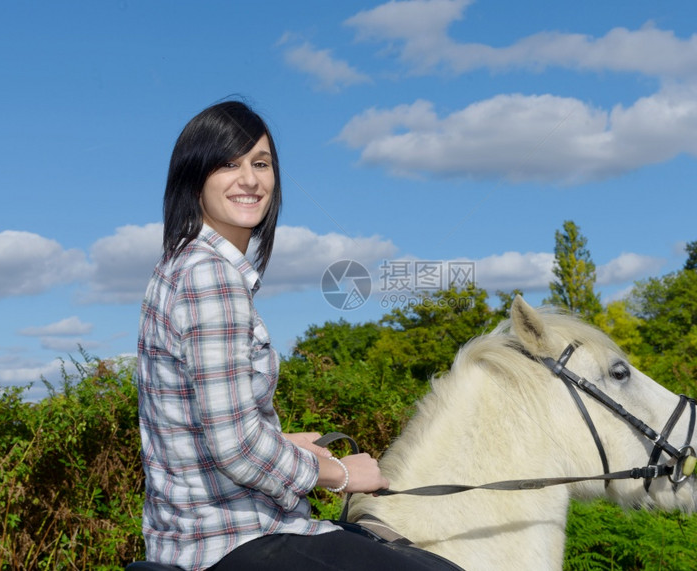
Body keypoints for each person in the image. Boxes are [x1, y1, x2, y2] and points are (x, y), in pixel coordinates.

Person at [136, 100, 461, 571]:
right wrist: (341, 474)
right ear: (194, 177)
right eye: (228, 163)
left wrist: (287, 444)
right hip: (233, 539)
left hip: (205, 533)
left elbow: (203, 425)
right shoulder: (211, 276)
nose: (249, 179)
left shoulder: (179, 266)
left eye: (261, 163)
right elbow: (235, 447)